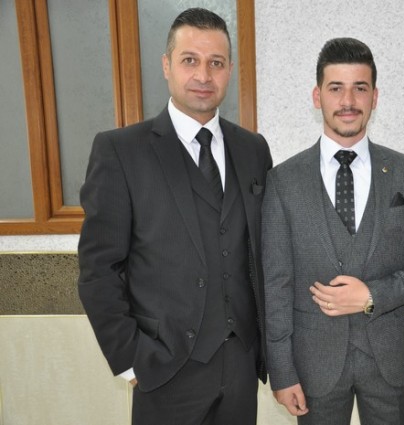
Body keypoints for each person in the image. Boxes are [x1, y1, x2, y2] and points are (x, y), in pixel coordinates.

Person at [77, 8, 272, 425]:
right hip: (162, 370)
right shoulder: (120, 151)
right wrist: (130, 360)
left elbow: (261, 252)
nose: (203, 75)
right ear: (166, 66)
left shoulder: (253, 149)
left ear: (230, 70)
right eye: (190, 60)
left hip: (241, 367)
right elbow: (98, 269)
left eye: (215, 63)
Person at [262, 37, 404, 425]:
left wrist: (371, 295)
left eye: (360, 88)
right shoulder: (283, 181)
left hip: (389, 361)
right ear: (317, 96)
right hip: (314, 366)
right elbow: (276, 283)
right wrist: (282, 371)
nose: (348, 101)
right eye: (336, 88)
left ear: (375, 96)